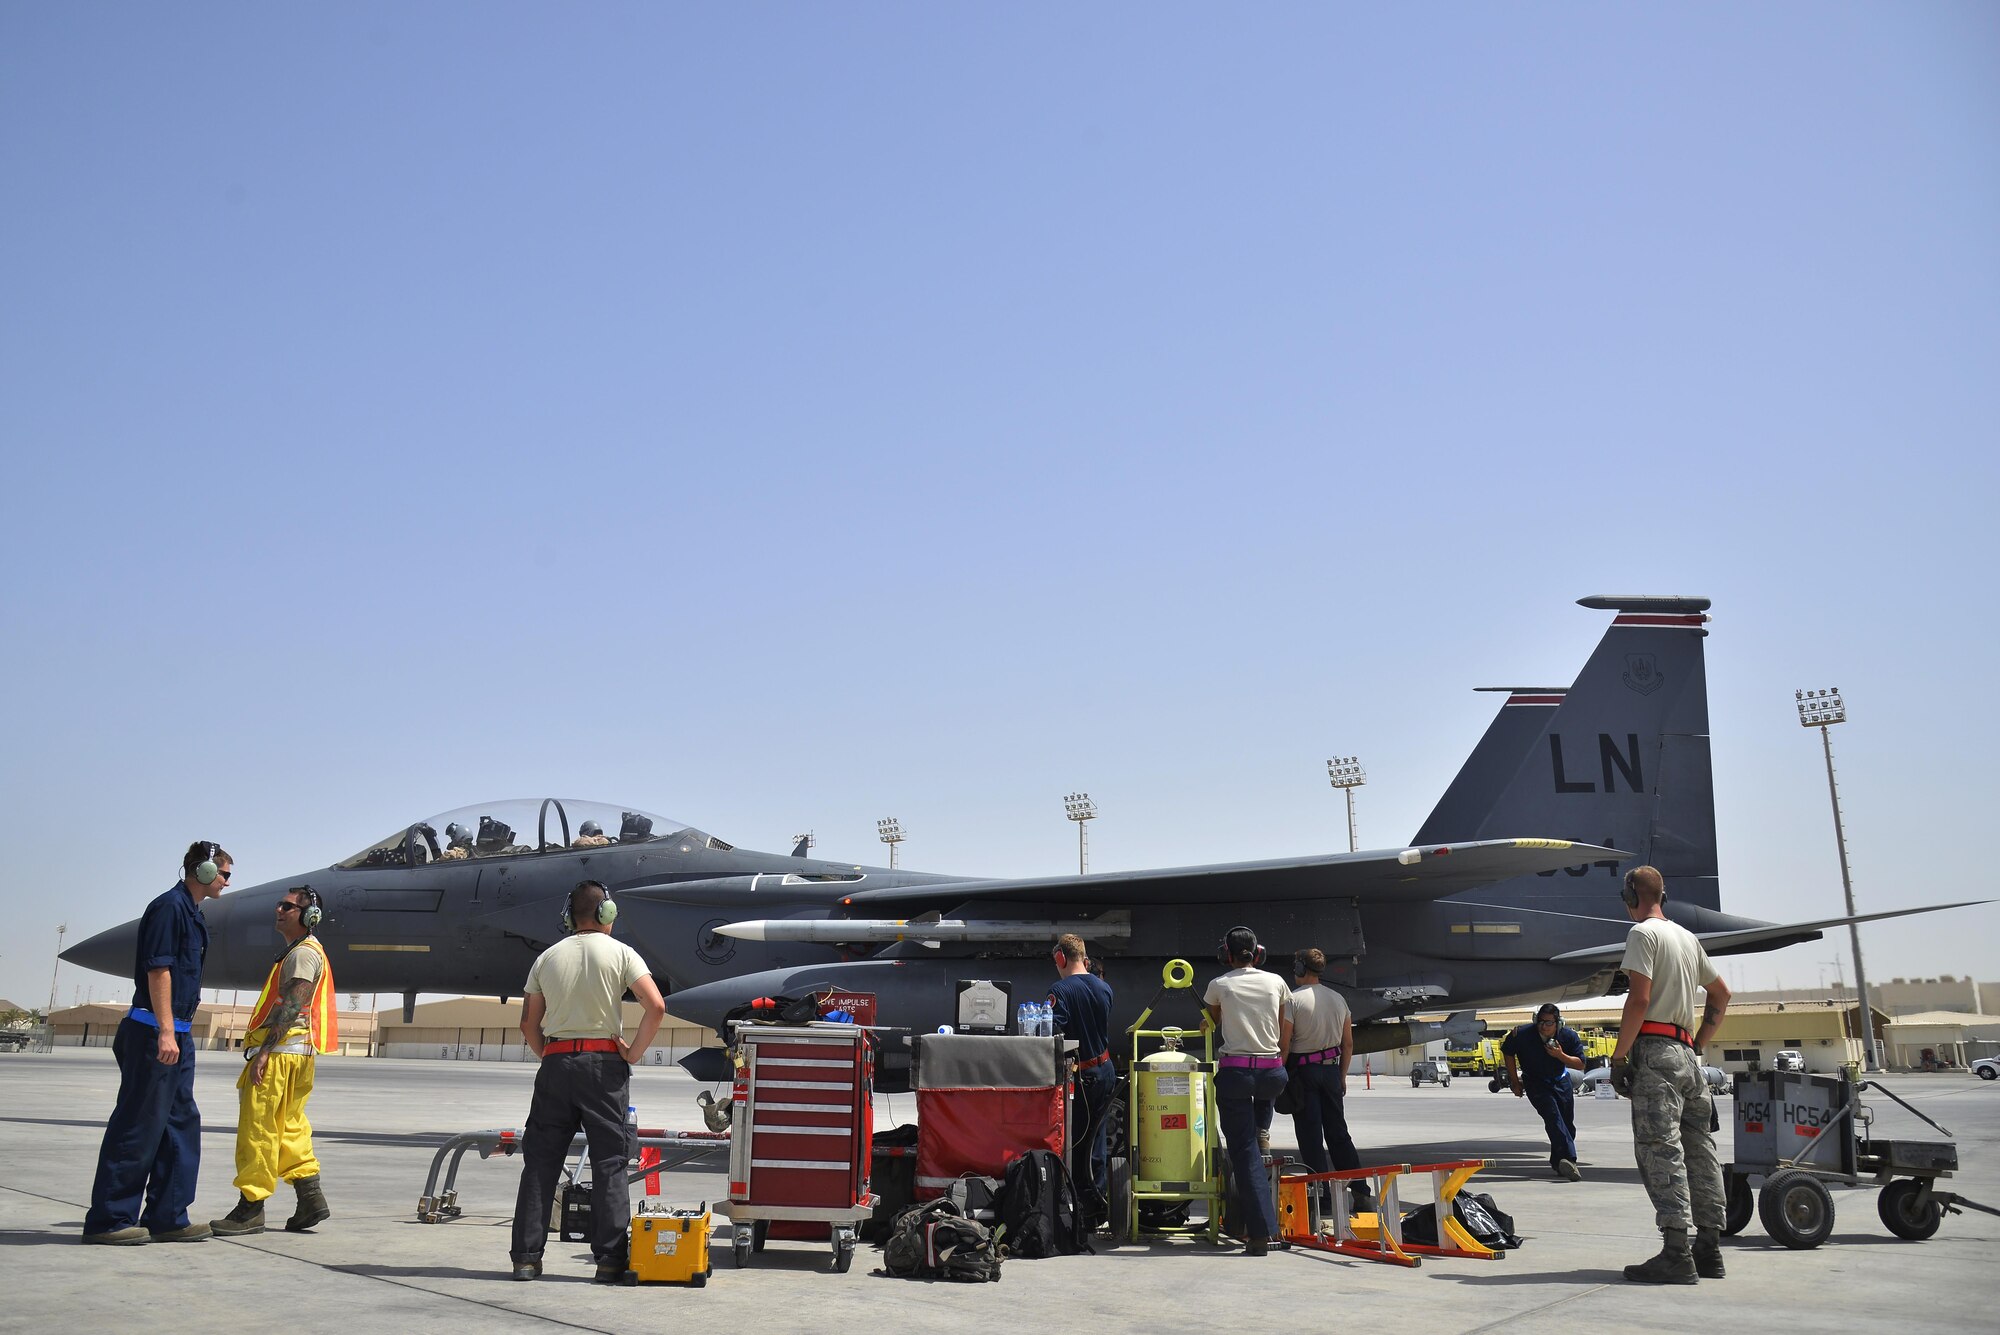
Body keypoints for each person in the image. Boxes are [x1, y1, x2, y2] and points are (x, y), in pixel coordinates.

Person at [509, 880, 667, 1283]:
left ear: (570, 917)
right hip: (604, 1066)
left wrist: (550, 1054)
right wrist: (632, 1053)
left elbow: (529, 1023)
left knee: (540, 1164)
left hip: (557, 1063)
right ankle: (609, 1260)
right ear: (607, 914)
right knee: (610, 1163)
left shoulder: (546, 958)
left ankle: (526, 1259)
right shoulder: (621, 953)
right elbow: (656, 1006)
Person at [83, 841, 231, 1245]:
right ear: (201, 871)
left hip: (176, 1033)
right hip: (154, 1032)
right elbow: (160, 971)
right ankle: (109, 1220)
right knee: (138, 1125)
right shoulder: (169, 908)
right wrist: (166, 1030)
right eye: (224, 874)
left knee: (179, 1124)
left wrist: (176, 1032)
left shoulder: (191, 913)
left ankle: (167, 1216)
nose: (226, 882)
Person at [1608, 865, 1732, 1284]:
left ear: (1631, 896)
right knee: (1701, 1151)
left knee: (1661, 1151)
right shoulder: (1687, 938)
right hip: (1688, 1057)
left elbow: (1639, 1000)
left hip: (1657, 1055)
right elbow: (1721, 994)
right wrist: (1697, 1043)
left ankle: (1677, 1252)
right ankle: (1710, 1249)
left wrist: (1619, 1058)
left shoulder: (1643, 935)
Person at [211, 886, 339, 1236]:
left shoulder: (302, 955)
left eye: (288, 906)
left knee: (259, 1130)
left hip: (280, 1055)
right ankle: (310, 1197)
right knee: (290, 1126)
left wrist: (265, 1051)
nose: (278, 910)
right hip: (298, 1055)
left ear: (309, 915)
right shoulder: (308, 951)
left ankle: (250, 1208)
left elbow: (293, 1004)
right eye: (279, 905)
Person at [1204, 926, 1292, 1256]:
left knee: (1243, 1153)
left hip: (1237, 1073)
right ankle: (1262, 1130)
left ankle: (1259, 1235)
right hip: (1272, 1073)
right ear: (1258, 953)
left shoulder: (1219, 985)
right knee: (1254, 1141)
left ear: (1226, 954)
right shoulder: (1277, 982)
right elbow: (1284, 1025)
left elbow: (1213, 1022)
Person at [1047, 932, 1115, 1228]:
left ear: (1061, 957)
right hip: (1106, 1069)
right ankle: (1097, 1204)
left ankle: (1078, 1206)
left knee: (1075, 1141)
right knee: (1097, 1140)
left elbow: (1053, 1034)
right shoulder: (1105, 988)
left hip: (1081, 1074)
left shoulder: (1060, 990)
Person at [1287, 948, 1362, 1212]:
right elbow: (1348, 1044)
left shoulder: (1292, 1001)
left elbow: (1284, 1044)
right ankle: (1361, 1191)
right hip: (1331, 1071)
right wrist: (1341, 1076)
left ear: (1300, 969)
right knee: (1338, 1133)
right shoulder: (1338, 999)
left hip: (1304, 1073)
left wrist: (1281, 1073)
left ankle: (1322, 1198)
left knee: (1310, 1137)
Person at [1501, 1003, 1586, 1181]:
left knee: (1567, 1124)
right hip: (1535, 1082)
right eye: (1540, 1022)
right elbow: (1508, 1052)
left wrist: (1560, 1056)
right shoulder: (1522, 1034)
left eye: (1548, 1023)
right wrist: (1515, 1081)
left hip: (1561, 1081)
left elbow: (1580, 1064)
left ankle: (1558, 1161)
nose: (1543, 1027)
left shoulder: (1568, 1036)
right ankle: (1570, 1160)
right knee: (1553, 1117)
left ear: (1558, 1023)